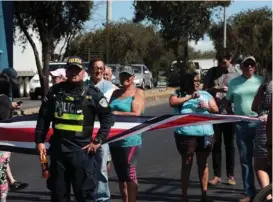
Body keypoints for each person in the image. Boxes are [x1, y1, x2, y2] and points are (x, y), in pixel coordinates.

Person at [35, 56, 114, 202]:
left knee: (84, 196)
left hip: (82, 153)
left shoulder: (93, 93)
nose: (74, 73)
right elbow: (43, 118)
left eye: (77, 70)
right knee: (58, 195)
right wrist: (39, 141)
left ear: (83, 72)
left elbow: (108, 118)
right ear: (67, 71)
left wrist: (98, 140)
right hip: (59, 153)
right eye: (71, 69)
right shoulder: (55, 92)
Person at [169, 72, 218, 202]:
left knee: (203, 164)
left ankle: (204, 194)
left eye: (198, 81)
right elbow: (172, 102)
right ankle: (184, 196)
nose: (197, 83)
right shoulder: (178, 93)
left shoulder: (206, 94)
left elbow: (216, 109)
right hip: (186, 135)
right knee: (187, 163)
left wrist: (207, 107)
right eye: (195, 80)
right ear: (188, 82)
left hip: (206, 135)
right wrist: (190, 97)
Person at [225, 56, 264, 202]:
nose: (249, 67)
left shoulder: (262, 80)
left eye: (252, 64)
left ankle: (267, 191)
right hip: (241, 124)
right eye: (246, 65)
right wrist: (231, 116)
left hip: (260, 124)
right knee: (245, 159)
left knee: (264, 158)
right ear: (241, 67)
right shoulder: (234, 82)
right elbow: (227, 102)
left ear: (255, 66)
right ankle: (249, 192)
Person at [203, 52, 240, 186]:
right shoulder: (212, 72)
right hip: (215, 112)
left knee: (230, 145)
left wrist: (230, 92)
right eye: (220, 62)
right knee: (216, 144)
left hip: (230, 113)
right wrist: (216, 89)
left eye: (224, 62)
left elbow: (241, 89)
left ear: (230, 59)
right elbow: (204, 90)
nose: (222, 65)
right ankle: (217, 175)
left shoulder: (237, 72)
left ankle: (231, 175)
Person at [109, 66, 145, 202]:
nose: (125, 78)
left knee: (130, 173)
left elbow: (136, 114)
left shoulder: (138, 92)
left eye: (128, 76)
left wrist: (117, 113)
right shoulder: (115, 93)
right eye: (122, 75)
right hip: (114, 138)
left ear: (133, 78)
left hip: (130, 139)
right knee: (121, 175)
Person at [86, 58, 116, 201]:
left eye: (100, 68)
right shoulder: (83, 86)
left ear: (104, 70)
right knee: (86, 167)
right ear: (89, 69)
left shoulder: (111, 87)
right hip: (85, 133)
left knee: (101, 167)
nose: (98, 70)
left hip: (102, 134)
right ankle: (89, 196)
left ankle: (102, 197)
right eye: (95, 68)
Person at [0, 68, 29, 192]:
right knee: (2, 159)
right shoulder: (4, 100)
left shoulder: (5, 100)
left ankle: (12, 182)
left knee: (3, 160)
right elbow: (3, 120)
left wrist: (11, 106)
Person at [251, 61, 272, 201]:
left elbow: (254, 107)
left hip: (266, 128)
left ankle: (268, 196)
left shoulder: (267, 86)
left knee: (261, 164)